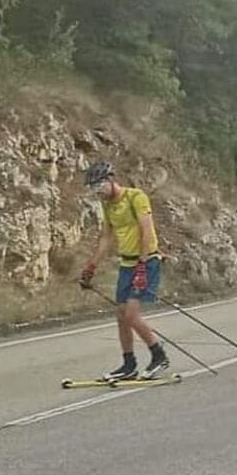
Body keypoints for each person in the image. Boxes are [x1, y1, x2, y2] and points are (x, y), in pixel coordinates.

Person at [79, 161, 170, 380]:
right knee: (121, 315)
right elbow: (106, 238)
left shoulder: (135, 197)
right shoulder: (108, 205)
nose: (96, 192)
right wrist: (91, 267)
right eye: (93, 189)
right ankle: (129, 364)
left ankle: (159, 356)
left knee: (131, 314)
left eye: (98, 186)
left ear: (110, 180)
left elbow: (147, 232)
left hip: (146, 261)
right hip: (126, 263)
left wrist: (141, 266)